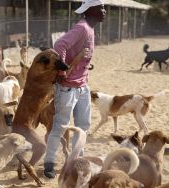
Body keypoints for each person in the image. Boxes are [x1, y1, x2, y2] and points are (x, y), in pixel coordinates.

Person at [43, 0, 106, 179]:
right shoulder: (83, 27)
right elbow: (59, 45)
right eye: (100, 7)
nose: (104, 10)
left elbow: (76, 53)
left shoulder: (90, 28)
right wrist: (62, 70)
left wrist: (84, 66)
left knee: (83, 126)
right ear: (90, 10)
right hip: (68, 88)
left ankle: (78, 161)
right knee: (60, 126)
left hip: (83, 86)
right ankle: (49, 162)